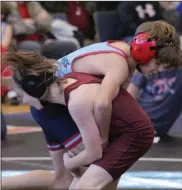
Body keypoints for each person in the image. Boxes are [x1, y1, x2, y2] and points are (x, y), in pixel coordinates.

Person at [2, 20, 182, 189]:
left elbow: (116, 101)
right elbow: (103, 104)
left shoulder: (117, 50)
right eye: (158, 64)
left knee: (63, 180)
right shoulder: (118, 64)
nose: (157, 72)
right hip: (56, 105)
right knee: (92, 171)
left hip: (49, 104)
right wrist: (103, 137)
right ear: (144, 50)